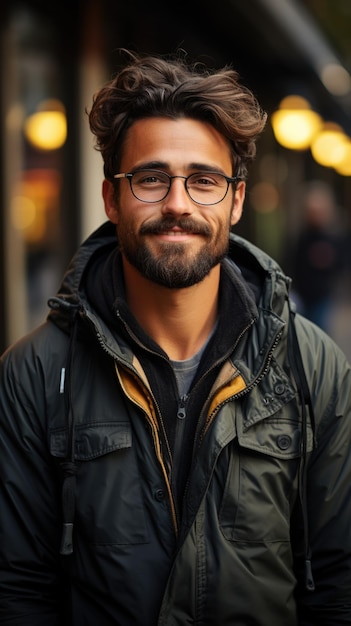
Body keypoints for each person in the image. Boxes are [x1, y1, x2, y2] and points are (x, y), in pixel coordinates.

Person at [1, 50, 351, 626]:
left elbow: (337, 581)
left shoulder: (313, 367)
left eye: (204, 181)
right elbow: (18, 590)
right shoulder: (34, 373)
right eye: (151, 178)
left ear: (236, 200)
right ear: (112, 198)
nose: (178, 204)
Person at [291, 180, 346, 333]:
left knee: (320, 332)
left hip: (322, 294)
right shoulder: (303, 237)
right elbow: (295, 263)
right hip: (303, 294)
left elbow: (341, 263)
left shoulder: (333, 236)